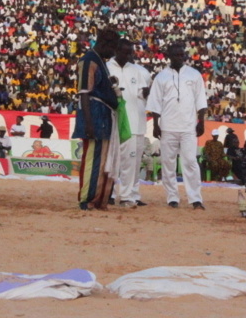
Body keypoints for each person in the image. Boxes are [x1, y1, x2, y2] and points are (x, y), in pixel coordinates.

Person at [146, 43, 208, 210]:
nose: (179, 58)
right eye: (176, 55)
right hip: (167, 127)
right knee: (168, 163)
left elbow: (200, 100)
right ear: (169, 57)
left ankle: (195, 199)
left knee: (190, 162)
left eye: (182, 55)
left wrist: (201, 121)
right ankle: (172, 197)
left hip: (189, 127)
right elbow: (155, 102)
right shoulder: (161, 77)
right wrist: (156, 125)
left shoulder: (194, 75)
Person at [72, 27, 120, 211]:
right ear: (105, 44)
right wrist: (89, 122)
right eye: (113, 48)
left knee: (103, 161)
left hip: (104, 116)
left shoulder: (100, 61)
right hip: (94, 115)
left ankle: (99, 199)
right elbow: (84, 93)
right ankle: (87, 199)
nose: (114, 52)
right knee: (94, 160)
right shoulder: (88, 61)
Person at [106, 38, 151, 207]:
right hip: (113, 122)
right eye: (125, 52)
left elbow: (142, 94)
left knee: (132, 162)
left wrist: (149, 92)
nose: (128, 55)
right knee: (112, 161)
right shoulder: (107, 68)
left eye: (130, 52)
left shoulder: (138, 71)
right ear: (116, 50)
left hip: (135, 122)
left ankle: (128, 195)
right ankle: (108, 193)